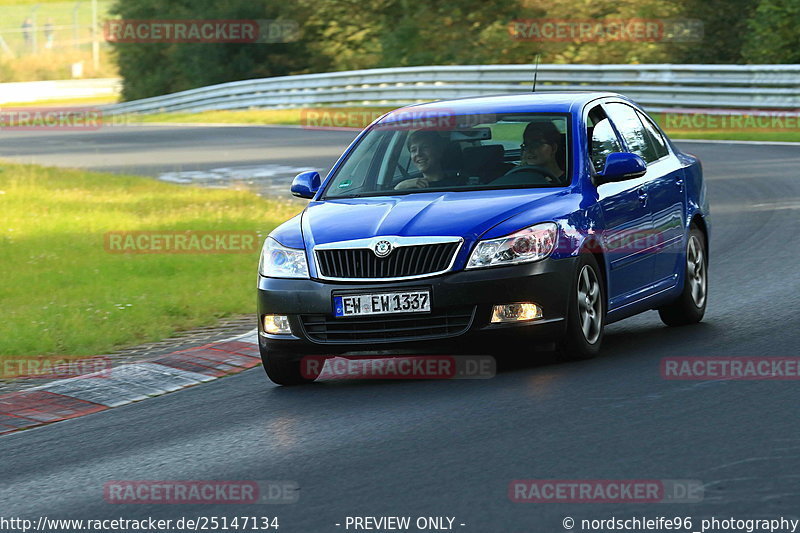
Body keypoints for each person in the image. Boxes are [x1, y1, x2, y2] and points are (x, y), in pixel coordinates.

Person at [394, 130, 460, 190]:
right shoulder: (408, 187)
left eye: (425, 147)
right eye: (413, 150)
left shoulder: (459, 184)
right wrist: (400, 187)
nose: (418, 154)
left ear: (439, 151)